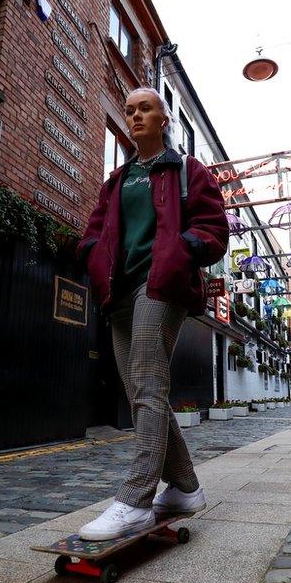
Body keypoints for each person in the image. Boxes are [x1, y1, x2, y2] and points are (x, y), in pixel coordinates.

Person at [76, 87, 229, 540]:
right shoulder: (117, 180)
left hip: (162, 285)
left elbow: (214, 226)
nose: (135, 115)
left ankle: (136, 499)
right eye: (129, 110)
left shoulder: (187, 171)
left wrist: (184, 250)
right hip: (119, 291)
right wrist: (92, 255)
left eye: (145, 108)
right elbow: (94, 230)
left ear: (164, 119)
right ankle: (184, 486)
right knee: (144, 390)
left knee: (145, 386)